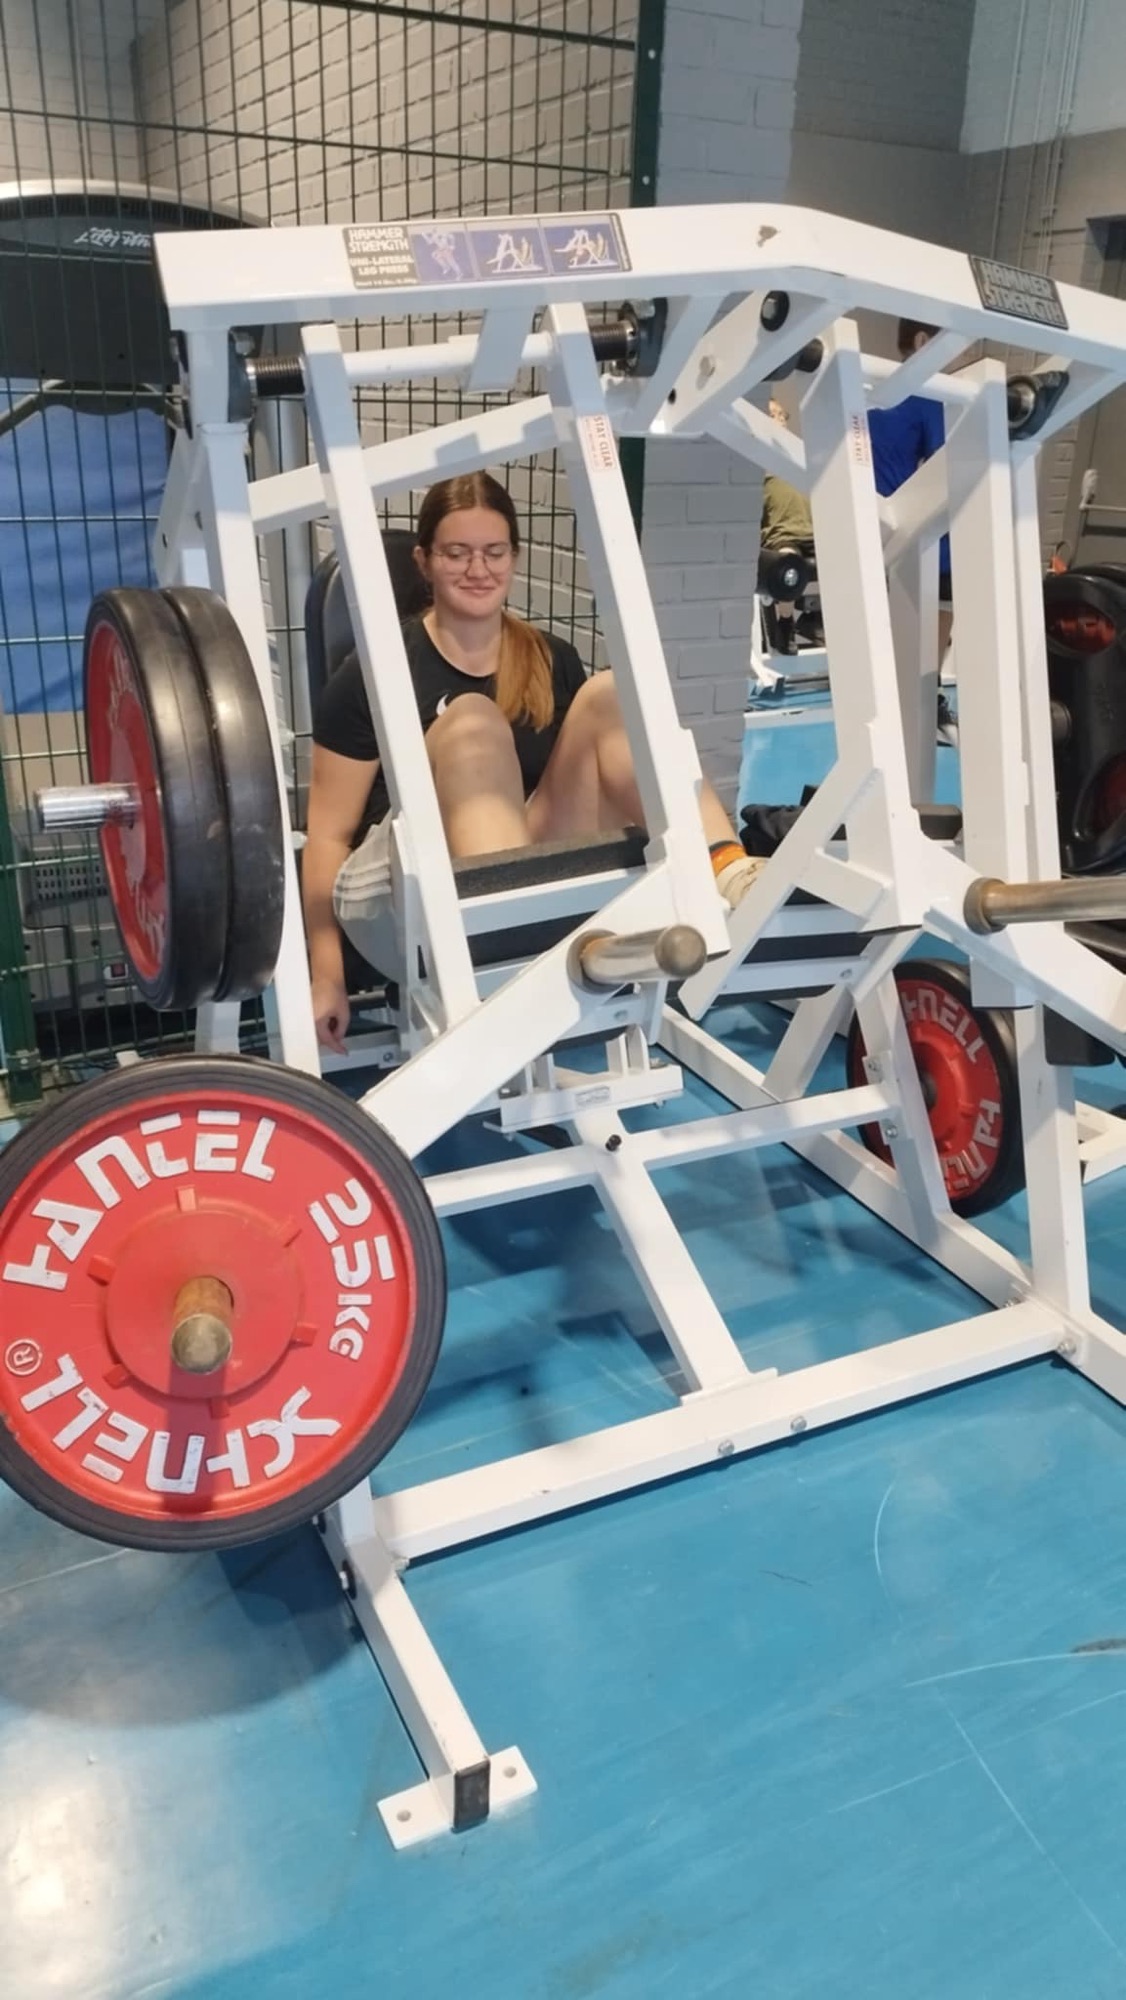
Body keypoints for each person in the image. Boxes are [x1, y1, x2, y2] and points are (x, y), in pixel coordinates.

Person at [305, 472, 761, 1052]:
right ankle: (507, 954)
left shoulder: (551, 659)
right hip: (395, 889)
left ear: (514, 559)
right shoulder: (376, 672)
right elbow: (327, 837)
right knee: (473, 720)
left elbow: (586, 784)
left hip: (516, 863)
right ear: (424, 561)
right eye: (456, 553)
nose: (478, 569)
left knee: (613, 692)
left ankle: (729, 875)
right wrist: (326, 976)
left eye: (494, 552)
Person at [867, 318, 954, 665]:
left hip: (867, 526)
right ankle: (929, 684)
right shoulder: (929, 395)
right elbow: (949, 463)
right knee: (948, 562)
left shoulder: (869, 388)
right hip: (907, 532)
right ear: (922, 342)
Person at [758, 399, 818, 654]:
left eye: (780, 414)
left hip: (814, 532)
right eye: (771, 414)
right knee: (788, 566)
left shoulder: (802, 456)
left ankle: (816, 621)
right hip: (783, 536)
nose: (778, 418)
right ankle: (785, 623)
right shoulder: (757, 457)